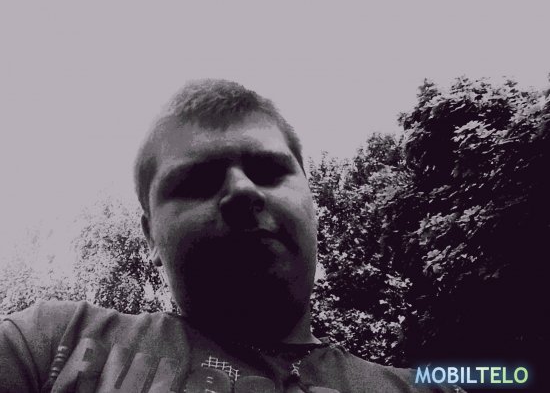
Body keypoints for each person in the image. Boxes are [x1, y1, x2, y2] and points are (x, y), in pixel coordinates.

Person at [0, 79, 462, 392]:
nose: (242, 191)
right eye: (197, 181)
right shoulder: (47, 342)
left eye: (269, 171)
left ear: (313, 204)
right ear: (150, 236)